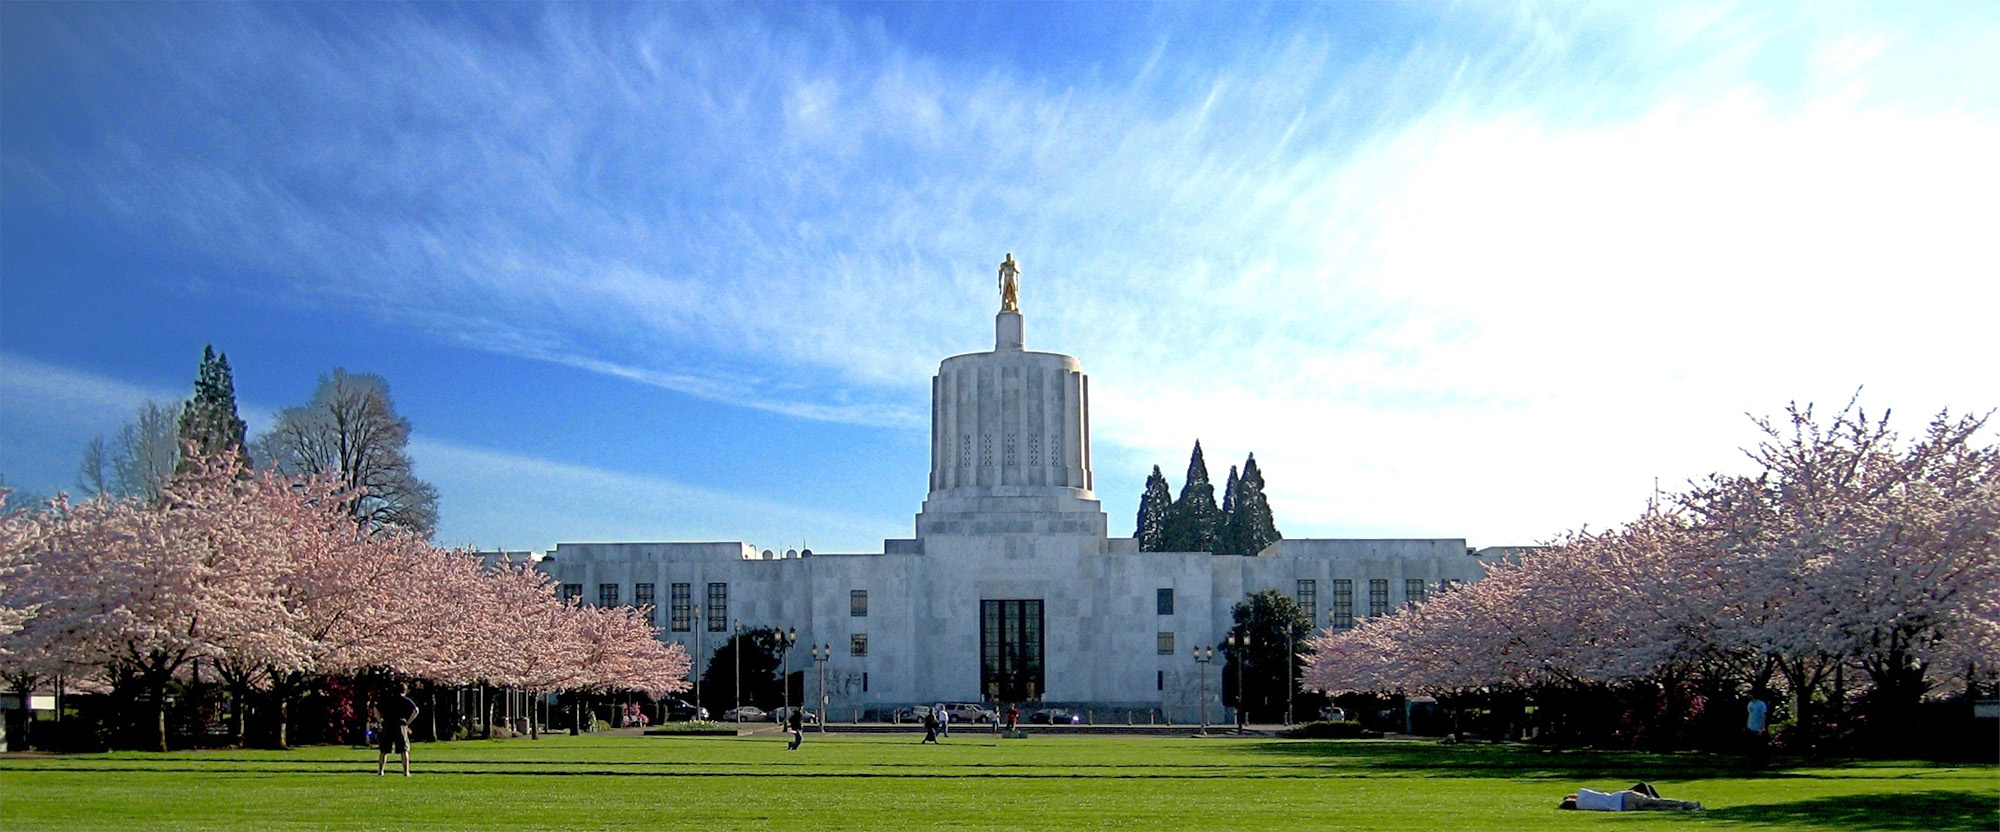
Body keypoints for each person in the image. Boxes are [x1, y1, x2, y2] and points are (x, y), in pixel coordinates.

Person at [372, 682, 419, 777]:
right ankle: (406, 772)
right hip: (400, 725)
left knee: (384, 750)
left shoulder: (388, 699)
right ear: (405, 691)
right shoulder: (406, 700)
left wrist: (379, 720)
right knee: (404, 749)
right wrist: (408, 722)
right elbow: (416, 710)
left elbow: (376, 708)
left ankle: (381, 771)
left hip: (387, 724)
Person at [1559, 782, 1702, 812]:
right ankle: (1687, 805)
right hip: (1624, 797)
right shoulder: (1583, 797)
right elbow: (1572, 795)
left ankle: (1680, 809)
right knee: (1654, 801)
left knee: (1655, 807)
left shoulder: (1583, 807)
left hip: (1623, 808)